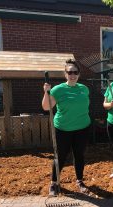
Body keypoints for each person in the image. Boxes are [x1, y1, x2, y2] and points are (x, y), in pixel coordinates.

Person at [42, 59, 91, 196]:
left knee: (79, 155)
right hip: (63, 129)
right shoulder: (58, 89)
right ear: (65, 74)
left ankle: (80, 181)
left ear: (79, 74)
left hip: (82, 128)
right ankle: (54, 183)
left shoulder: (84, 89)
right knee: (60, 156)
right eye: (70, 72)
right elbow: (46, 107)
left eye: (75, 72)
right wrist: (46, 92)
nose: (73, 75)